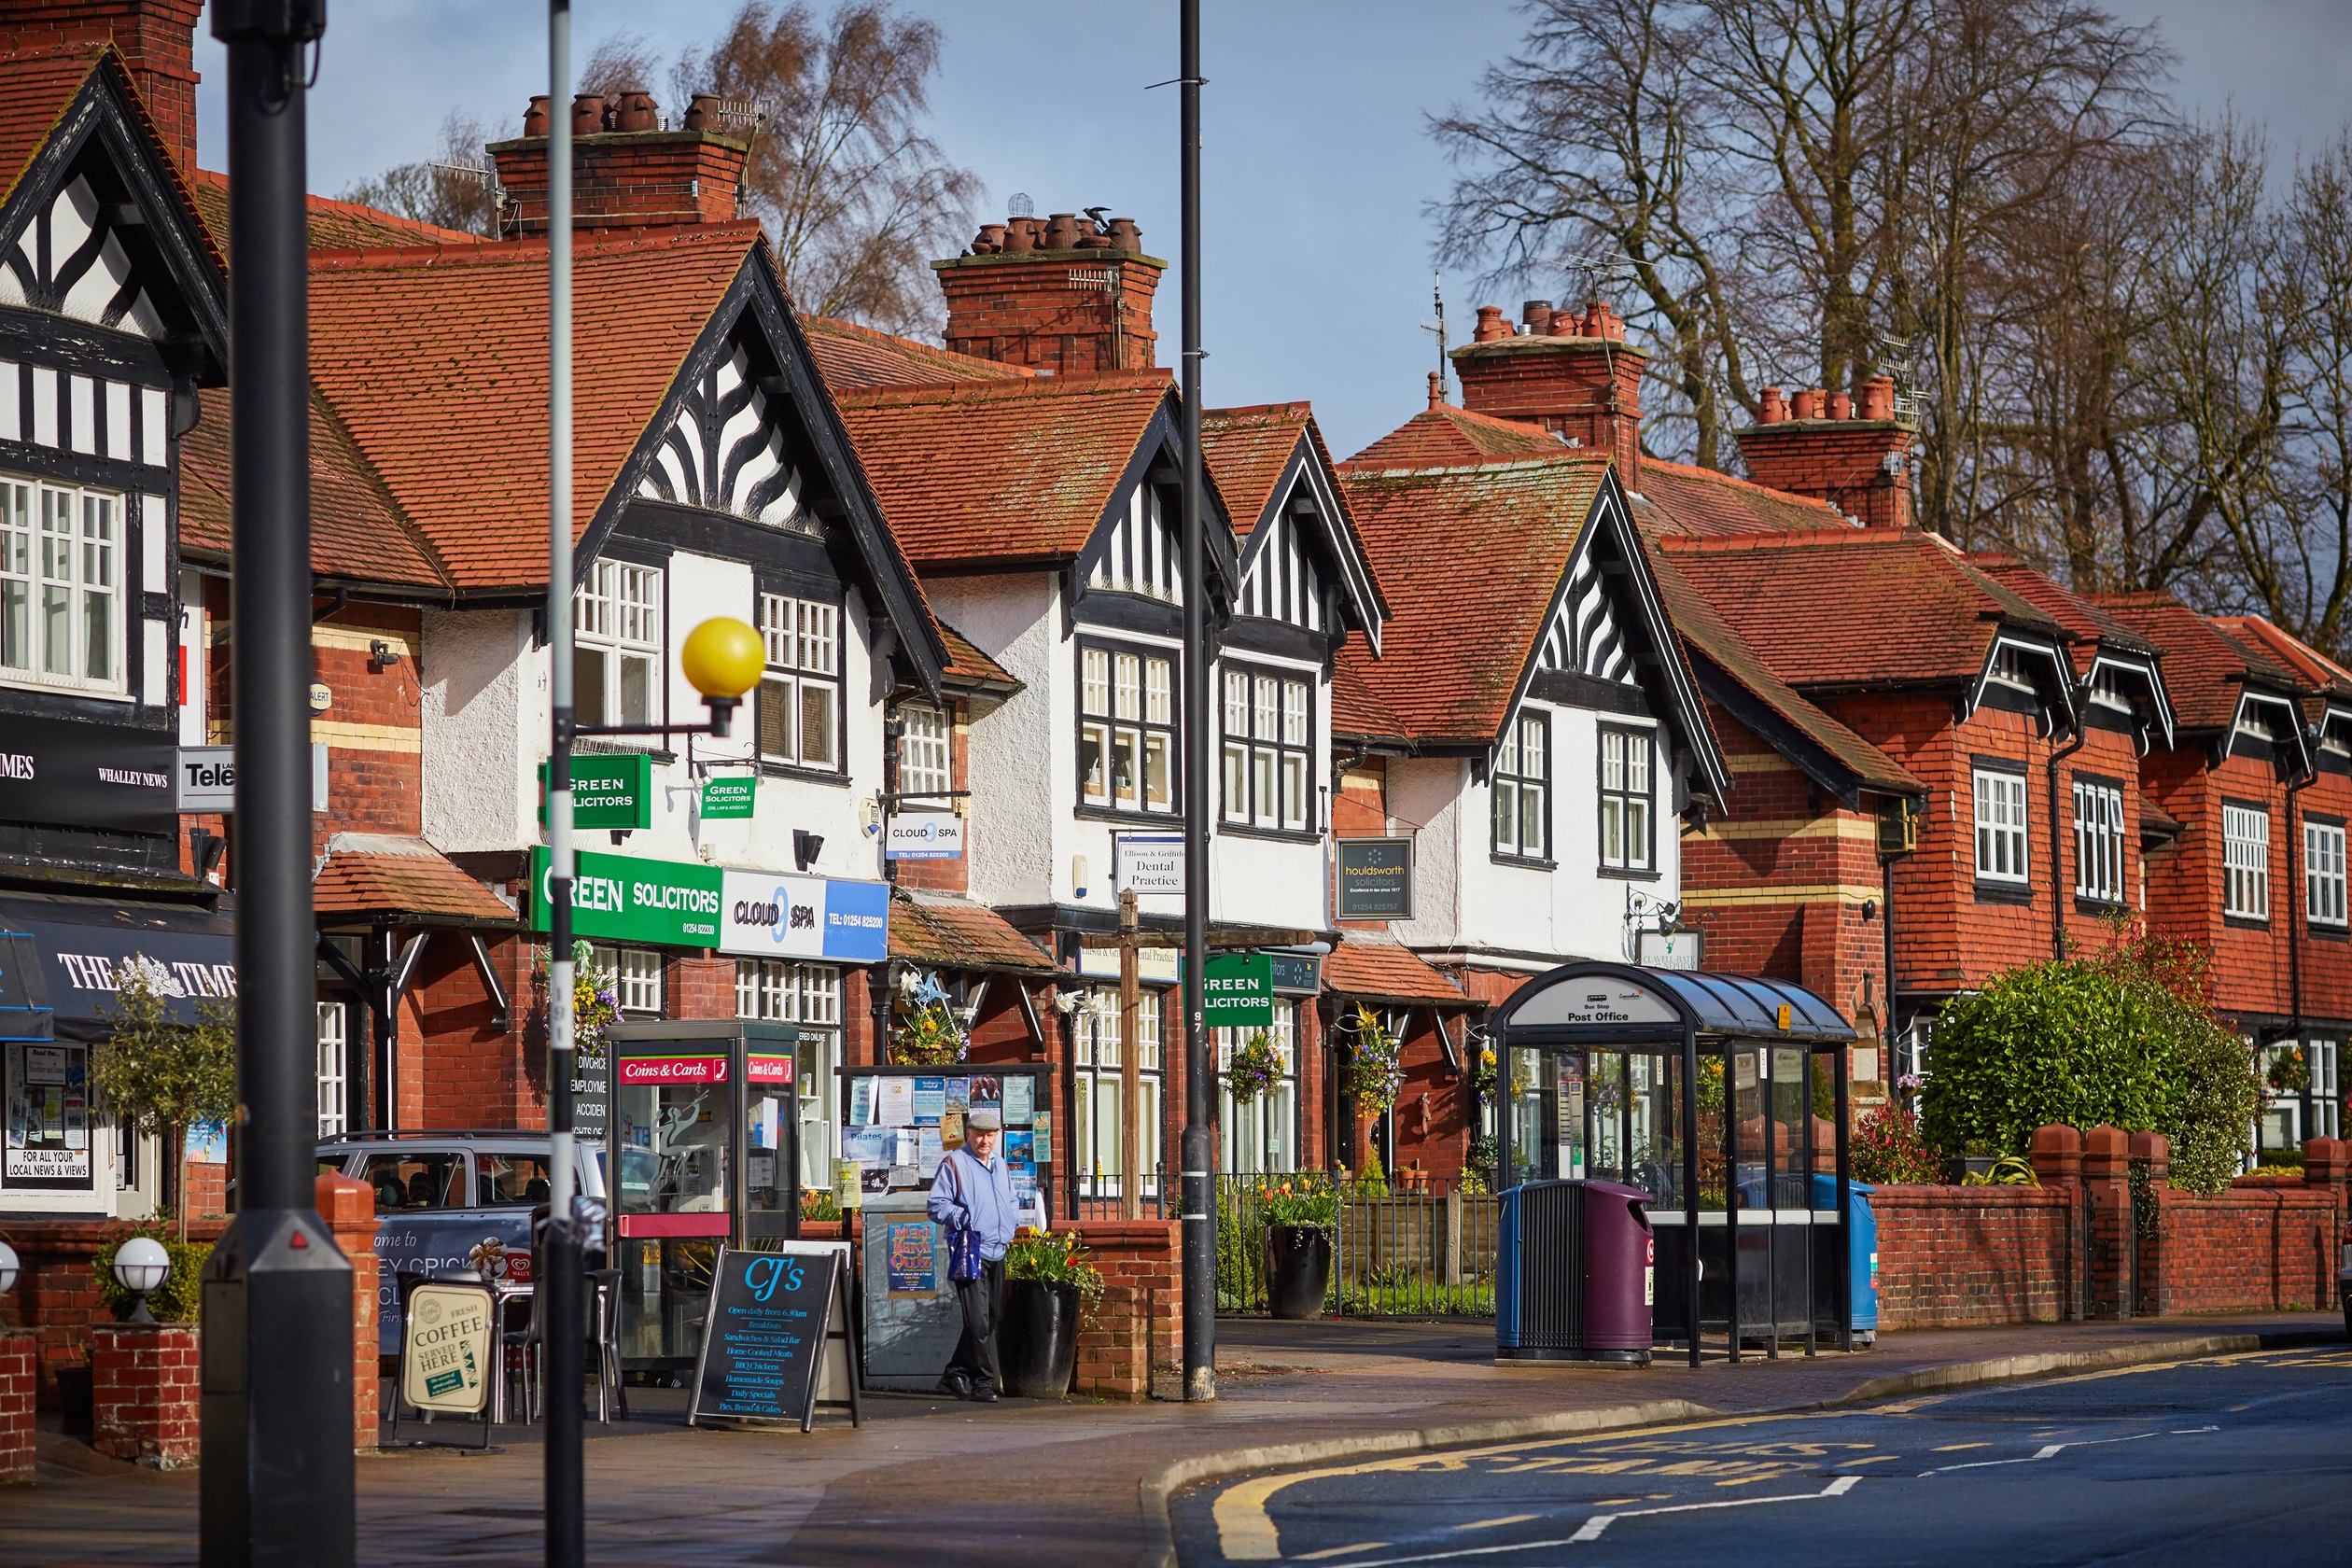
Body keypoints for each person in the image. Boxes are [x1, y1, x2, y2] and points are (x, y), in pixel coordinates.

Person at [927, 1105, 1019, 1402]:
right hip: (969, 1248)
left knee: (990, 1317)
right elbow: (936, 1205)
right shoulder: (955, 1163)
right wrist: (964, 1218)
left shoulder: (1001, 1165)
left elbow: (1011, 1197)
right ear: (969, 1134)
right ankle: (982, 1382)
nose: (985, 1141)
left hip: (997, 1247)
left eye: (991, 1135)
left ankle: (955, 1373)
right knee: (978, 1320)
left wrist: (1012, 1221)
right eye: (980, 1135)